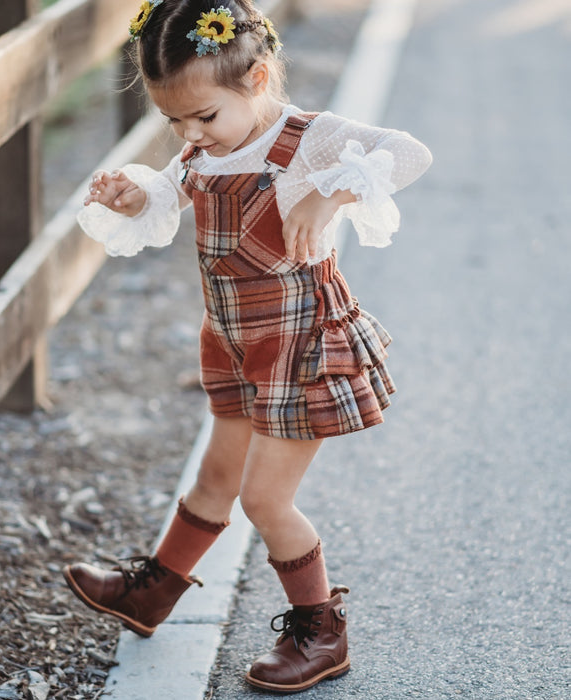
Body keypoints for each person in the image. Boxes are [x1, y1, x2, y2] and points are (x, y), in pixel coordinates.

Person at [62, 0, 432, 693]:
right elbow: (166, 198)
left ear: (258, 78)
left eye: (203, 117)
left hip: (298, 346)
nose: (190, 134)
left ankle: (321, 631)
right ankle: (153, 594)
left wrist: (332, 195)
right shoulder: (201, 147)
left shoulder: (307, 138)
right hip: (235, 344)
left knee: (265, 500)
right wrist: (129, 197)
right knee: (213, 479)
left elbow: (410, 152)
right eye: (174, 121)